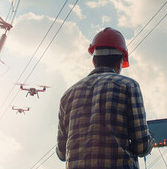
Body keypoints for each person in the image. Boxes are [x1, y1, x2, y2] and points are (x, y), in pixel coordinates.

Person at [56, 27, 153, 168]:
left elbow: (62, 153)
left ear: (94, 61)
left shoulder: (68, 95)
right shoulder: (129, 86)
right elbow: (142, 147)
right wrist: (150, 139)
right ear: (120, 61)